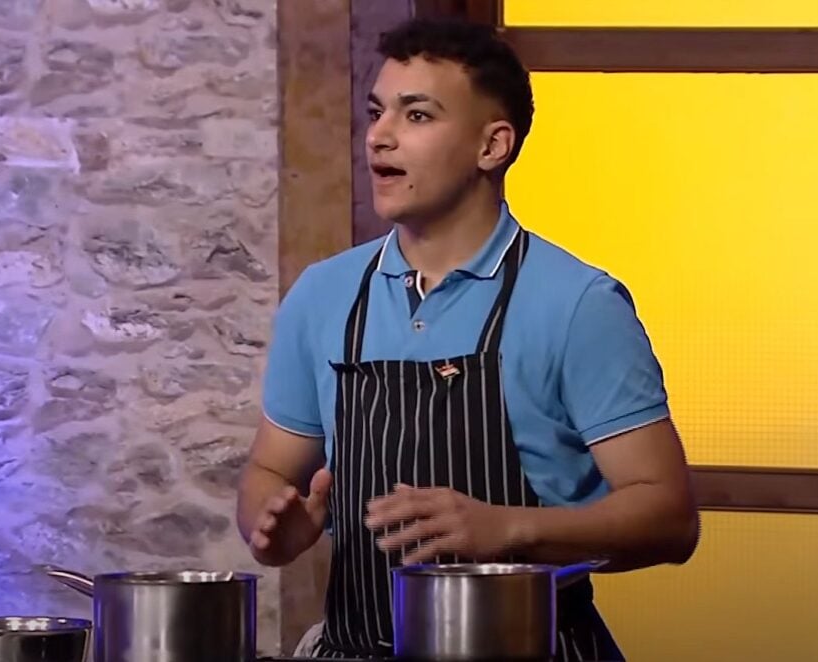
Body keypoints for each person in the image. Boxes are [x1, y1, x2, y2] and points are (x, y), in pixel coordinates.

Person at [237, 16, 700, 661]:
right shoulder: (323, 296)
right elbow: (269, 470)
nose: (379, 136)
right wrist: (271, 525)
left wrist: (508, 528)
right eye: (376, 112)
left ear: (493, 146)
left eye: (416, 115)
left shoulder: (578, 305)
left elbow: (669, 519)